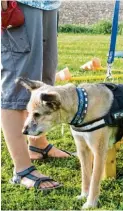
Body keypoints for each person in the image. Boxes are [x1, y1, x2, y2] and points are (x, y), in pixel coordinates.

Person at [1, 0, 70, 190]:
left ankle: (37, 143)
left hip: (49, 4)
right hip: (20, 4)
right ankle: (22, 169)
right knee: (19, 83)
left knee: (44, 81)